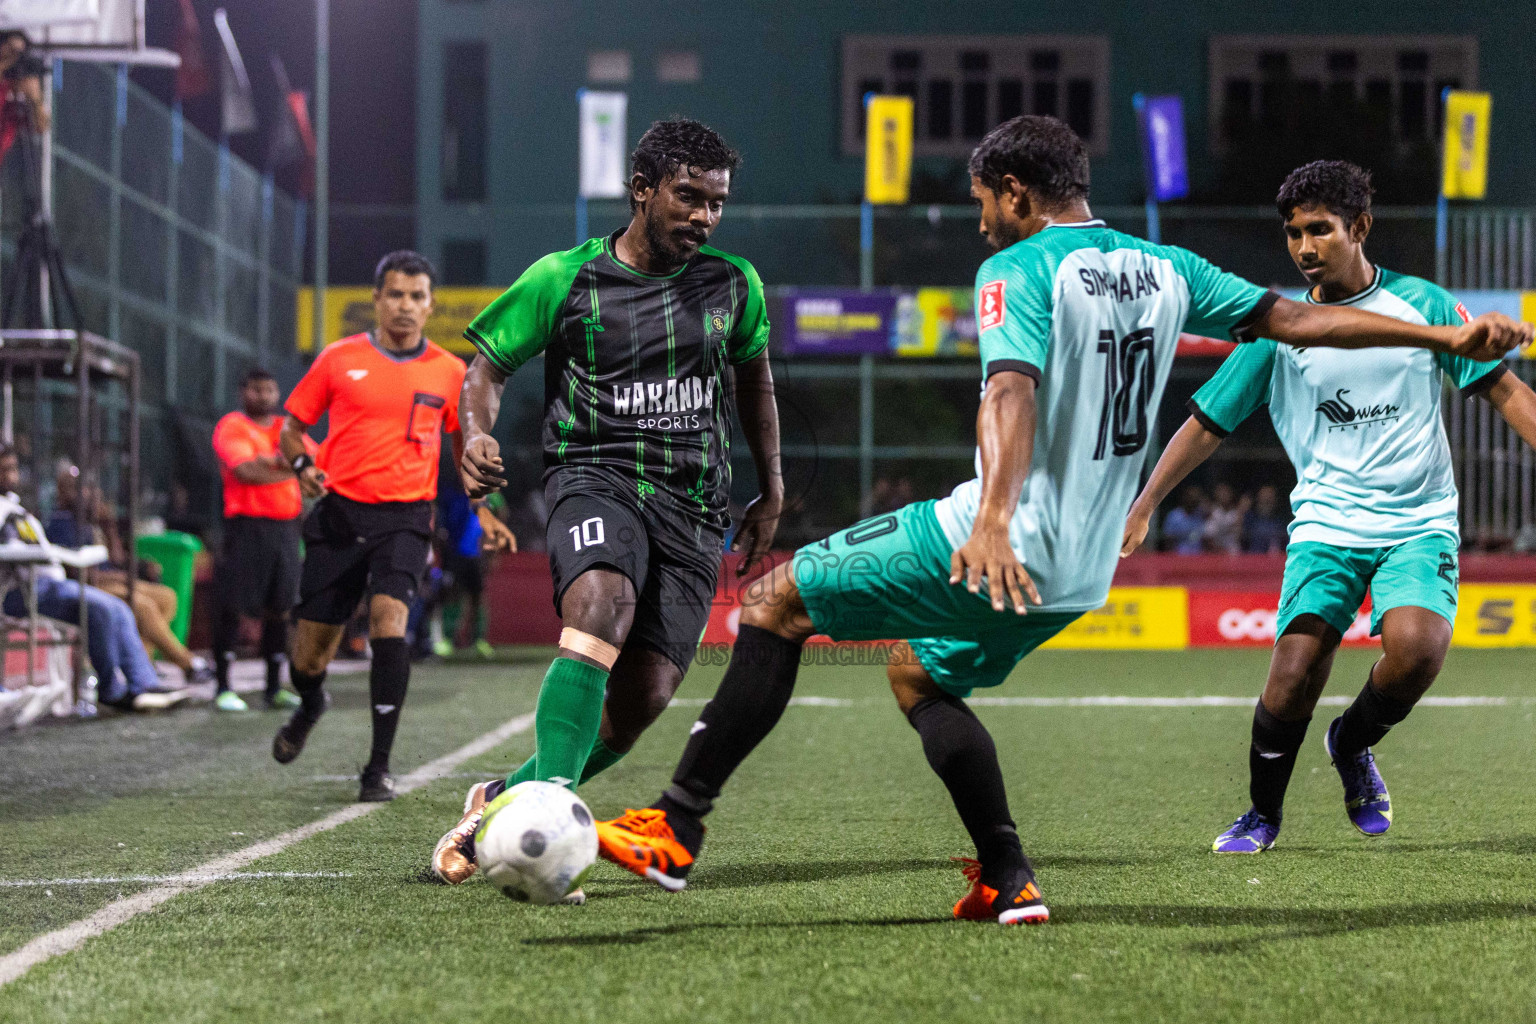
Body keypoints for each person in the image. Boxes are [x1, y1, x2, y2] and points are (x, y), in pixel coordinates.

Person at [592, 118, 1530, 923]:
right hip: (1082, 573)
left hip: (1002, 541)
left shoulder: (1018, 267)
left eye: (984, 203)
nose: (981, 222)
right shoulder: (1166, 266)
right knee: (918, 674)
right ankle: (1008, 880)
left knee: (772, 603)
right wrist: (1443, 334)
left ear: (1017, 194)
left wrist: (994, 515)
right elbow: (1301, 321)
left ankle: (675, 824)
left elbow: (1009, 392)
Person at [1123, 160, 1536, 853]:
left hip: (1418, 518)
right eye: (1293, 233)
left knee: (1417, 652)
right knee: (1290, 678)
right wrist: (1147, 500)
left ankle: (1351, 741)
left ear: (1361, 228)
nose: (1305, 246)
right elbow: (1207, 423)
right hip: (1327, 524)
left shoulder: (1425, 306)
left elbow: (1507, 394)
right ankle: (1262, 813)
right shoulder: (1282, 327)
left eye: (1320, 229)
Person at [428, 117, 782, 889]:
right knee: (598, 605)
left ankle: (496, 805)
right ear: (642, 191)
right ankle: (551, 810)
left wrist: (773, 487)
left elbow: (754, 380)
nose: (704, 217)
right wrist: (475, 436)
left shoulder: (733, 284)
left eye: (717, 203)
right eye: (688, 197)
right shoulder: (564, 277)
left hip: (695, 505)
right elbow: (486, 367)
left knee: (645, 697)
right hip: (594, 474)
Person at [271, 251, 514, 802]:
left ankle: (377, 767)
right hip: (339, 515)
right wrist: (304, 465)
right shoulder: (338, 359)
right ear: (378, 300)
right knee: (307, 661)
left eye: (417, 296)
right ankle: (312, 702)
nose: (406, 306)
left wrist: (482, 508)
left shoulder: (451, 373)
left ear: (430, 306)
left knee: (390, 621)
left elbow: (463, 448)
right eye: (396, 295)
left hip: (405, 518)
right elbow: (291, 429)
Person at [0, 445, 190, 712]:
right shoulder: (51, 517)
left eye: (13, 468)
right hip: (19, 591)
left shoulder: (17, 508)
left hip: (50, 585)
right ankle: (130, 683)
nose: (12, 476)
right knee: (107, 606)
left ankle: (137, 685)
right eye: (5, 469)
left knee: (115, 609)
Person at [48, 466, 213, 687]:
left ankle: (141, 666)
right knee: (143, 606)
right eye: (77, 489)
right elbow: (76, 573)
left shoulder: (92, 521)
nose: (87, 493)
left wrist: (109, 527)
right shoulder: (62, 522)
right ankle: (188, 663)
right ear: (63, 493)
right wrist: (121, 578)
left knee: (167, 597)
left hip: (111, 580)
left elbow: (115, 557)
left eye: (88, 487)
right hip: (87, 587)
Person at [210, 367, 313, 712]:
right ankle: (223, 686)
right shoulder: (232, 427)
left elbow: (318, 461)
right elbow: (246, 472)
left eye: (269, 390)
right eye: (256, 390)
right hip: (246, 528)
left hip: (286, 531)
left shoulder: (288, 429)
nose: (264, 396)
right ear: (243, 392)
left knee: (281, 609)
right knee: (232, 607)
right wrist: (292, 467)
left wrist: (275, 463)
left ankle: (273, 688)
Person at [1202, 482, 1248, 554]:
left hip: (1233, 551)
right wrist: (1219, 550)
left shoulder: (1237, 513)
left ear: (1231, 495)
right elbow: (1208, 536)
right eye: (1221, 493)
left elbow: (1240, 536)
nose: (1224, 496)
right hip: (1216, 551)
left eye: (1226, 493)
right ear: (1216, 495)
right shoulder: (1213, 513)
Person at [1160, 485, 1208, 554]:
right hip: (1179, 557)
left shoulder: (1202, 515)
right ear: (1185, 498)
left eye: (1196, 498)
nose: (1193, 501)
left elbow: (1206, 538)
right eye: (1191, 498)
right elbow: (1168, 541)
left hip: (1199, 557)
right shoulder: (1174, 516)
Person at [1243, 484, 1289, 554]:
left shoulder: (1281, 522)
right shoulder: (1249, 520)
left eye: (1269, 499)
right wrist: (1241, 512)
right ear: (1258, 499)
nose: (1266, 501)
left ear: (1275, 500)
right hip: (1252, 559)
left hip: (1276, 560)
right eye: (1264, 498)